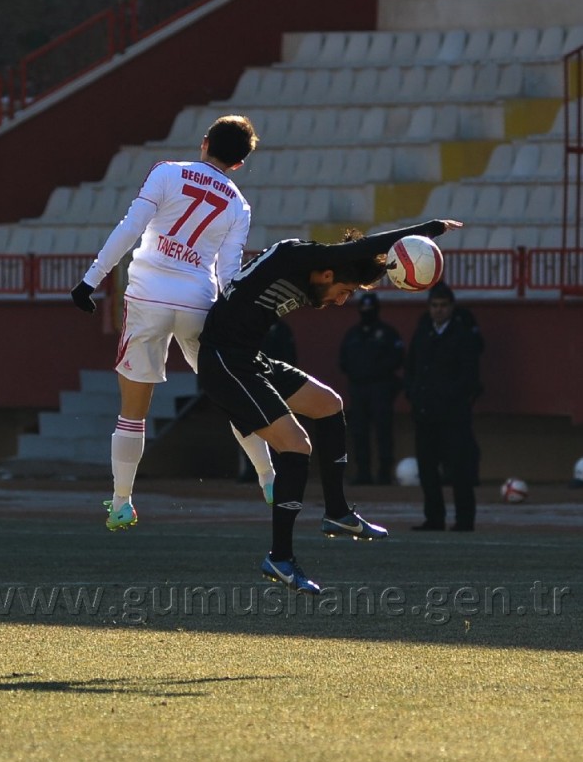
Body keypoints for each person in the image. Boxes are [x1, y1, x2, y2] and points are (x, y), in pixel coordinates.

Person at [197, 218, 463, 593]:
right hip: (223, 363)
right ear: (324, 275)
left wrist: (390, 262)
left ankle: (337, 512)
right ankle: (280, 557)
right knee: (297, 445)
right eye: (343, 292)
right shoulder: (299, 257)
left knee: (328, 403)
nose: (342, 300)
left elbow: (359, 258)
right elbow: (353, 250)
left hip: (250, 359)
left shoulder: (321, 273)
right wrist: (427, 229)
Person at [70, 114, 275, 530]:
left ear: (204, 143)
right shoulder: (238, 204)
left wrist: (90, 280)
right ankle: (269, 478)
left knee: (133, 411)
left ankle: (122, 501)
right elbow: (231, 271)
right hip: (199, 300)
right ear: (238, 164)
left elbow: (131, 229)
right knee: (232, 393)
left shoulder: (167, 173)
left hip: (147, 295)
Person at [404, 281, 482, 533]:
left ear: (451, 307)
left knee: (459, 471)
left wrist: (452, 398)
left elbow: (469, 376)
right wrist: (414, 396)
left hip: (453, 415)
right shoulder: (423, 332)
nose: (438, 310)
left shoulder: (463, 336)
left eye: (443, 306)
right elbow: (411, 368)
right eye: (434, 305)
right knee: (428, 471)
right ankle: (434, 518)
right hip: (426, 414)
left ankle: (464, 520)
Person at [339, 292, 404, 486]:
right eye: (364, 309)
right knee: (359, 432)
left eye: (371, 309)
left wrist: (377, 372)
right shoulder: (353, 335)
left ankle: (384, 472)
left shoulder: (387, 333)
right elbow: (343, 361)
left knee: (383, 431)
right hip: (358, 390)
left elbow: (398, 357)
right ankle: (363, 472)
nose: (367, 313)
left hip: (381, 389)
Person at [237, 319, 297, 486]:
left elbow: (290, 359)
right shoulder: (247, 325)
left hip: (274, 386)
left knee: (277, 427)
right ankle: (252, 469)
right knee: (248, 426)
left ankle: (280, 471)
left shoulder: (281, 329)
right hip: (248, 383)